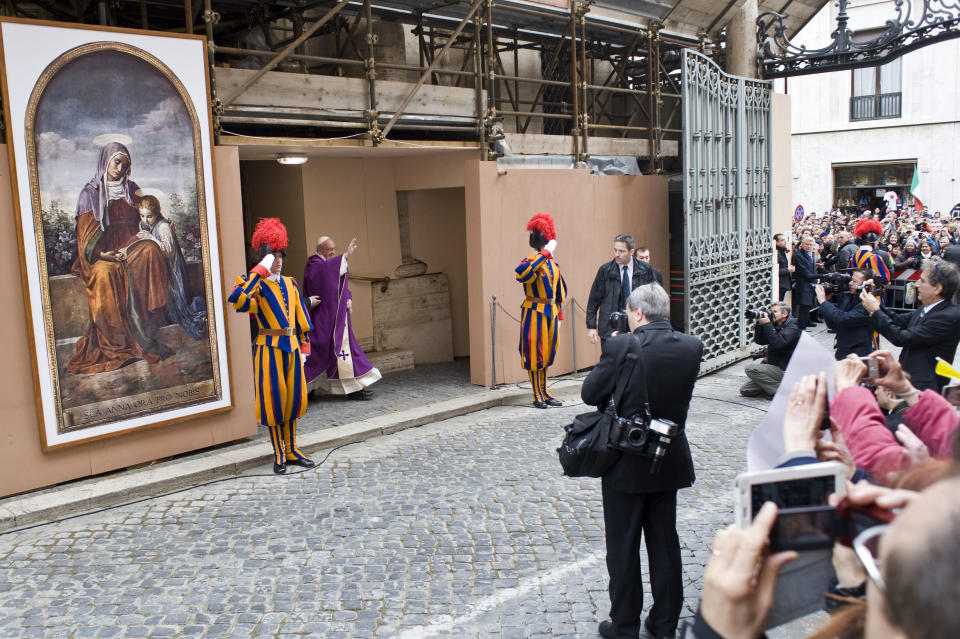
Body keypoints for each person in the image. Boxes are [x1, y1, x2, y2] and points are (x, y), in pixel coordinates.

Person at [581, 283, 702, 639]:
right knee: (665, 544)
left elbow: (591, 394)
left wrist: (616, 352)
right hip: (668, 456)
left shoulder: (622, 345)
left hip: (626, 461)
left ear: (637, 313)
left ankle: (625, 625)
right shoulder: (692, 346)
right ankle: (664, 624)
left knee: (623, 545)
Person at [68, 141, 172, 374]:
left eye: (125, 163)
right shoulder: (90, 193)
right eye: (117, 161)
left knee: (150, 250)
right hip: (102, 252)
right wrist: (100, 254)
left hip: (129, 246)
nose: (120, 167)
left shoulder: (132, 188)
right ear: (106, 161)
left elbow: (149, 217)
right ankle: (117, 342)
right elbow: (85, 236)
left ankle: (148, 323)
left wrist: (148, 235)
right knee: (106, 272)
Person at [228, 218, 314, 474]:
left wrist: (304, 349)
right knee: (275, 401)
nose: (277, 260)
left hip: (292, 347)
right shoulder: (256, 283)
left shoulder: (291, 284)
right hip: (268, 348)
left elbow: (302, 321)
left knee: (294, 401)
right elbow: (238, 301)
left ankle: (292, 449)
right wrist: (259, 270)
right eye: (272, 256)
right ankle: (278, 453)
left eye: (279, 255)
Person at [860, 260, 960, 391]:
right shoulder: (929, 307)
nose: (916, 284)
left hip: (924, 389)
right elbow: (898, 320)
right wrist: (875, 300)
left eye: (922, 281)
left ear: (937, 288)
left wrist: (875, 311)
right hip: (910, 379)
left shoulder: (947, 316)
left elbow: (902, 337)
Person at [303, 236, 381, 399]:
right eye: (329, 249)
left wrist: (348, 297)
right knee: (320, 353)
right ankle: (307, 389)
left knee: (342, 352)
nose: (332, 253)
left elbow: (339, 284)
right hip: (323, 318)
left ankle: (354, 390)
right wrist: (344, 256)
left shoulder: (326, 264)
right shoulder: (314, 265)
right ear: (319, 250)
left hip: (337, 316)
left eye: (334, 249)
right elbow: (325, 276)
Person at [135, 195, 207, 340]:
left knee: (180, 309)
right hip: (163, 270)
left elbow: (168, 251)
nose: (145, 220)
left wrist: (151, 238)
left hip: (173, 271)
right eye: (142, 216)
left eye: (149, 216)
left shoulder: (163, 226)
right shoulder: (150, 226)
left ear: (156, 213)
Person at [516, 213, 567, 408]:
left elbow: (558, 292)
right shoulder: (531, 261)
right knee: (534, 353)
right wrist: (543, 255)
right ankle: (537, 394)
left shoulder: (553, 265)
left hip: (550, 312)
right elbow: (522, 274)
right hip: (534, 312)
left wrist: (559, 314)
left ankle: (544, 391)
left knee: (547, 354)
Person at [587, 234, 659, 345]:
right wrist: (591, 326)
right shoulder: (605, 270)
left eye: (621, 251)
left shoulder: (645, 269)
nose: (617, 254)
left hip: (638, 327)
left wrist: (654, 327)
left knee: (636, 361)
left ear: (631, 252)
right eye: (615, 250)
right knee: (612, 361)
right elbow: (594, 299)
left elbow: (654, 299)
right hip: (610, 327)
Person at [739, 302, 801, 399]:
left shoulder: (794, 326)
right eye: (771, 311)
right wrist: (760, 324)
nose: (771, 314)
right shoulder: (776, 324)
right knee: (746, 390)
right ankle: (784, 386)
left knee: (750, 369)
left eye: (775, 311)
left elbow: (778, 344)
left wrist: (767, 324)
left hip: (786, 368)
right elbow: (760, 341)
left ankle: (781, 392)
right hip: (775, 365)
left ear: (784, 314)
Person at [815, 269, 873, 359]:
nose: (850, 283)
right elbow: (833, 324)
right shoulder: (849, 297)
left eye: (854, 281)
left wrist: (823, 302)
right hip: (843, 351)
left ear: (865, 285)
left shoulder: (867, 304)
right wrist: (827, 300)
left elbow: (843, 319)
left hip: (859, 355)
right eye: (851, 280)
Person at [791, 236, 817, 329]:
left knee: (808, 305)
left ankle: (806, 322)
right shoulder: (798, 255)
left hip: (811, 283)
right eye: (807, 244)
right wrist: (816, 277)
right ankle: (801, 328)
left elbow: (813, 269)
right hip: (803, 283)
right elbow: (804, 270)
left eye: (811, 244)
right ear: (802, 244)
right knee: (804, 306)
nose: (809, 246)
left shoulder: (812, 254)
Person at [775, 234, 793, 301]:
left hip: (784, 284)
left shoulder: (782, 251)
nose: (785, 241)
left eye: (784, 239)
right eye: (782, 240)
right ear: (776, 242)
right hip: (779, 284)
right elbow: (776, 271)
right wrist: (788, 270)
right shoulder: (777, 253)